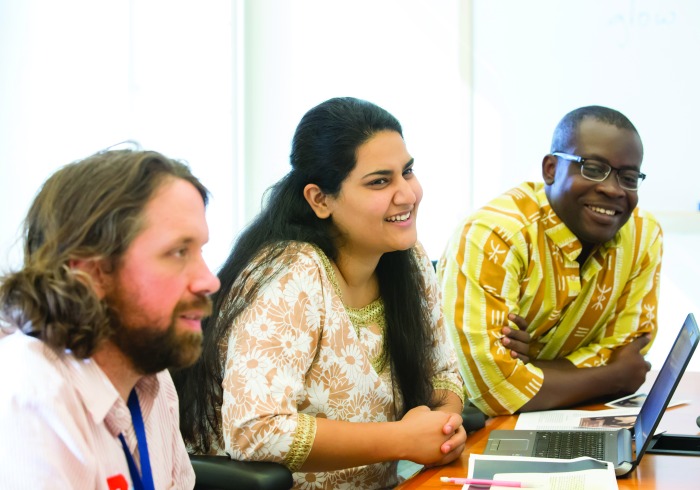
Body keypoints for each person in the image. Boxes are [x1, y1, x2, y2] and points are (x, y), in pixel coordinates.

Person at [173, 97, 466, 489]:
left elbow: (443, 374)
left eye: (407, 172)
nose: (407, 194)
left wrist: (443, 426)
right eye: (380, 181)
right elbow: (256, 430)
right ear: (319, 199)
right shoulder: (290, 272)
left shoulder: (408, 258)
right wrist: (403, 439)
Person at [0, 148, 220, 489]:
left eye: (200, 251)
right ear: (91, 274)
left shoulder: (154, 380)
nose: (210, 281)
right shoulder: (28, 393)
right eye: (178, 252)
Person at [438, 105, 662, 417]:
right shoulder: (495, 234)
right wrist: (614, 377)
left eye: (628, 177)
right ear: (551, 169)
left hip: (568, 415)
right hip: (464, 426)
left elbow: (628, 349)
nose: (613, 189)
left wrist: (533, 368)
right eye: (593, 168)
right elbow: (495, 391)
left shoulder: (643, 235)